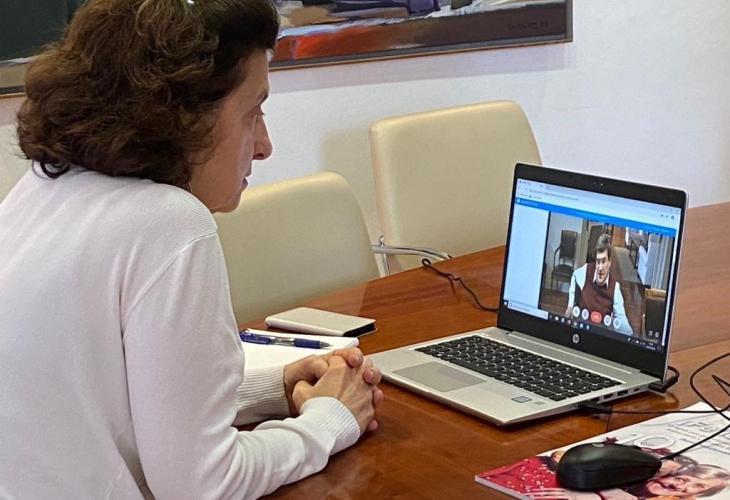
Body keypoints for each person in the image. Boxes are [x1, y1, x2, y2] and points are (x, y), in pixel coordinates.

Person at [0, 0, 383, 498]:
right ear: (184, 117)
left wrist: (274, 387)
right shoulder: (169, 222)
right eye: (252, 112)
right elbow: (204, 485)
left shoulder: (42, 188)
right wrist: (331, 419)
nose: (265, 145)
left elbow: (122, 403)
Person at [565, 233, 633, 335]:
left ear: (609, 262)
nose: (600, 268)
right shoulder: (585, 271)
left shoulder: (615, 288)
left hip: (599, 335)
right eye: (598, 262)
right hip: (580, 331)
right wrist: (570, 305)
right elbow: (574, 276)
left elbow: (624, 326)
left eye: (604, 261)